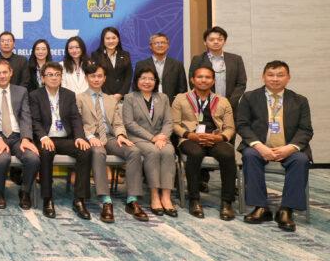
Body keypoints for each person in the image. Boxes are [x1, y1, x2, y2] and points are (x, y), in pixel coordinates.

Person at [237, 61, 312, 232]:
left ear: (288, 78)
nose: (275, 79)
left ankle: (286, 210)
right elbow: (242, 125)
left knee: (301, 160)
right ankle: (260, 207)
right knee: (250, 155)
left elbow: (305, 130)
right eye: (270, 75)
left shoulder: (300, 100)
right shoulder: (249, 97)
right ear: (263, 77)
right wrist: (259, 146)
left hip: (288, 148)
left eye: (280, 75)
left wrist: (290, 148)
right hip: (259, 146)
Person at [77, 62, 145, 222]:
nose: (96, 79)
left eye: (99, 76)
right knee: (98, 153)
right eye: (92, 76)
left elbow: (118, 122)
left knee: (134, 151)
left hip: (110, 137)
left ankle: (132, 200)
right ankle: (106, 200)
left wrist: (121, 135)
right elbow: (77, 122)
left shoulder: (111, 99)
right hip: (92, 137)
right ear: (87, 78)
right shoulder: (79, 98)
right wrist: (89, 136)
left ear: (104, 78)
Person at [171, 66, 236, 220]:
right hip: (190, 138)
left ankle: (227, 202)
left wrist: (220, 138)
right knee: (195, 153)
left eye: (208, 77)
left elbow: (230, 128)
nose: (203, 80)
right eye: (200, 77)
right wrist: (189, 135)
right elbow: (174, 124)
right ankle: (194, 200)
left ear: (213, 81)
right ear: (192, 80)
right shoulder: (181, 99)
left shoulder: (222, 101)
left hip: (215, 138)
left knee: (227, 154)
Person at [29, 62, 90, 219]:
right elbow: (34, 121)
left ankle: (79, 199)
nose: (54, 78)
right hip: (46, 138)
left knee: (85, 151)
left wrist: (79, 137)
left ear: (61, 77)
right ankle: (47, 199)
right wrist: (43, 137)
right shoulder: (35, 95)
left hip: (65, 138)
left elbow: (75, 118)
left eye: (57, 74)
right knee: (46, 152)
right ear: (43, 78)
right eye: (50, 75)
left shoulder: (69, 95)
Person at [0, 59, 40, 210]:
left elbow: (26, 116)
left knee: (33, 158)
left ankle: (25, 192)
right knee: (2, 158)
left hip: (18, 136)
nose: (2, 76)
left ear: (11, 73)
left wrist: (26, 138)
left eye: (5, 72)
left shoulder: (21, 91)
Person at [122, 67, 177, 220]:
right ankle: (154, 195)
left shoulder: (163, 98)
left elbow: (168, 121)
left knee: (168, 152)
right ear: (137, 80)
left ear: (156, 81)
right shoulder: (130, 98)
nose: (147, 82)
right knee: (153, 152)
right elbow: (129, 123)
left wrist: (163, 136)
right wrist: (152, 138)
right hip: (139, 138)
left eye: (151, 79)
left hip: (161, 137)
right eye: (143, 78)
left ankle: (166, 196)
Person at [189, 26, 247, 112]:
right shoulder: (198, 59)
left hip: (231, 107)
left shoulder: (236, 59)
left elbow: (241, 83)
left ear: (224, 41)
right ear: (205, 42)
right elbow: (193, 82)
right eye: (211, 40)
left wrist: (229, 103)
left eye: (220, 39)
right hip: (205, 107)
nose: (216, 42)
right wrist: (205, 101)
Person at [134, 33, 187, 104]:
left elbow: (182, 89)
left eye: (163, 43)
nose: (160, 45)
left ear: (168, 46)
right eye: (156, 43)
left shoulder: (177, 65)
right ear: (150, 46)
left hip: (171, 104)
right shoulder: (141, 65)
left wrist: (176, 104)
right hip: (147, 104)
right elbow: (136, 87)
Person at [90, 27, 132, 99]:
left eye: (113, 38)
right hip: (103, 97)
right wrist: (108, 96)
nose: (111, 41)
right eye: (108, 38)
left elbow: (128, 76)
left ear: (118, 39)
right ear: (103, 40)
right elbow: (96, 77)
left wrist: (120, 94)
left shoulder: (125, 55)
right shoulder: (96, 55)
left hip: (122, 97)